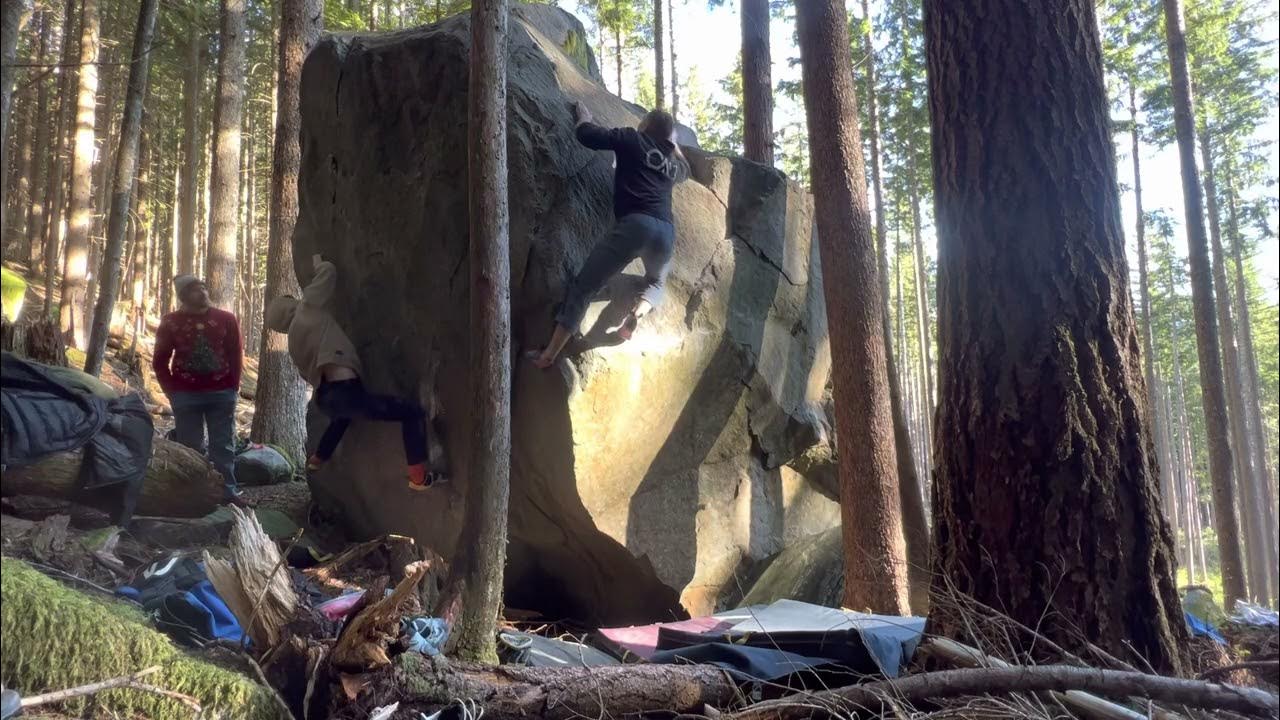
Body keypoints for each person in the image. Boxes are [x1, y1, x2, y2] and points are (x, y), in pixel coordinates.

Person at [265, 255, 445, 491]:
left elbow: (305, 375)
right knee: (412, 413)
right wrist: (318, 262)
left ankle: (318, 459)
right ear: (288, 307)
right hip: (345, 391)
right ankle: (418, 478)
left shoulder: (293, 344)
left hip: (327, 398)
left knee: (341, 418)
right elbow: (329, 272)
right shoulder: (306, 309)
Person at [531, 103, 687, 369]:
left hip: (635, 224)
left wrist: (584, 116)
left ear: (646, 126)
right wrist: (674, 147)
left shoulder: (632, 138)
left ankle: (548, 355)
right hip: (665, 232)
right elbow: (686, 168)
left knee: (584, 287)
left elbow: (588, 136)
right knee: (656, 282)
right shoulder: (674, 166)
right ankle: (635, 314)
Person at [154, 274, 249, 506]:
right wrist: (171, 391)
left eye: (205, 287)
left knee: (223, 445)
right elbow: (160, 360)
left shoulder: (226, 319)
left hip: (221, 393)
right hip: (185, 395)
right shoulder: (170, 322)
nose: (204, 293)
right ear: (184, 296)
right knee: (190, 447)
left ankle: (228, 493)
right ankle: (193, 495)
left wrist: (233, 385)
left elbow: (236, 353)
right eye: (196, 290)